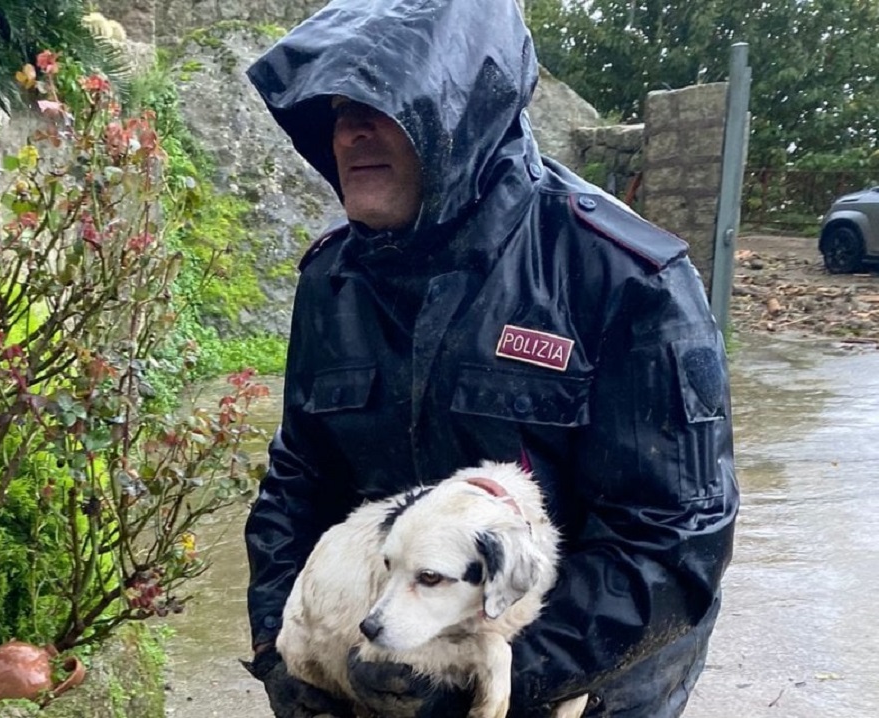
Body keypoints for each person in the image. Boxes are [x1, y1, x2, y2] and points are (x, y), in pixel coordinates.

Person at [239, 0, 740, 716]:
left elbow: (672, 540)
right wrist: (280, 650)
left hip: (587, 673)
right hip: (397, 654)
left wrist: (485, 681)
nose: (349, 132)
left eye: (380, 105)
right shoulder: (332, 279)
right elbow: (298, 483)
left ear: (464, 113)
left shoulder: (623, 275)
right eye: (337, 109)